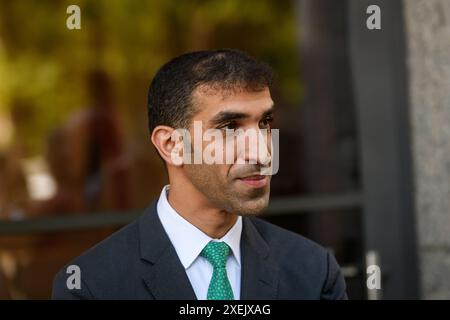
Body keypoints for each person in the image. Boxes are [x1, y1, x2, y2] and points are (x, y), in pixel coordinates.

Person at [52, 49, 347, 300]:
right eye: (230, 127)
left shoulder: (313, 271)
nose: (263, 154)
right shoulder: (90, 286)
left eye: (265, 122)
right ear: (172, 145)